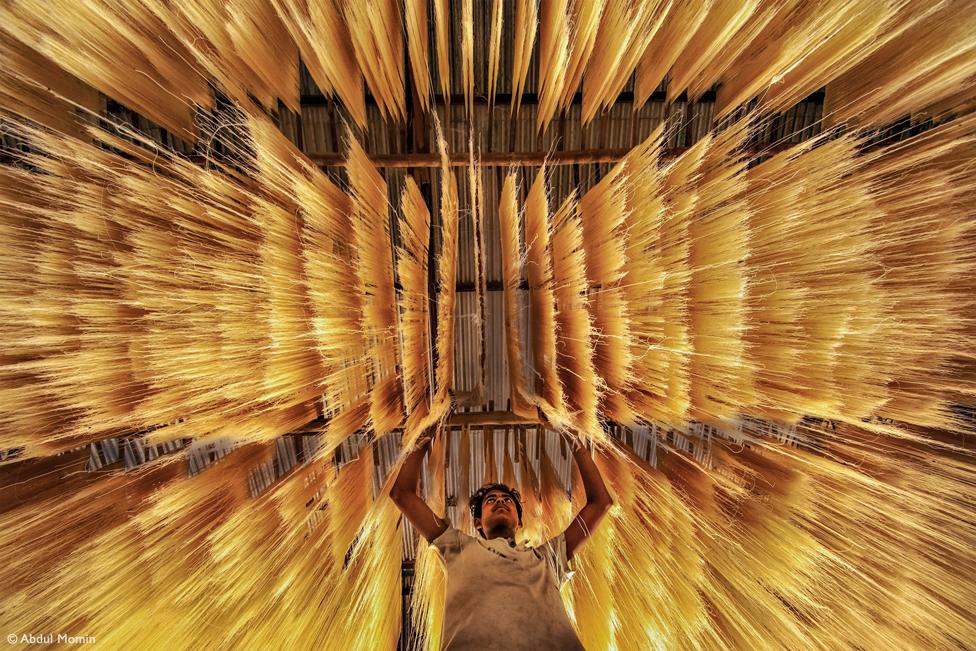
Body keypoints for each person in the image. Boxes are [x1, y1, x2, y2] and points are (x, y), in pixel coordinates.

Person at [391, 425, 614, 650]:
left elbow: (601, 503)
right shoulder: (457, 547)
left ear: (519, 523)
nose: (500, 501)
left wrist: (571, 434)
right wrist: (427, 430)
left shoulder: (547, 557)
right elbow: (401, 494)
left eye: (507, 500)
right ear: (477, 522)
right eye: (491, 500)